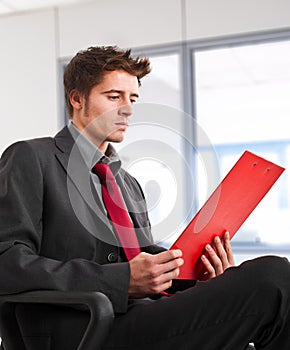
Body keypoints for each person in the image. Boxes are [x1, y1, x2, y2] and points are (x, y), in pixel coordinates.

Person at [0, 45, 290, 350]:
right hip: (83, 331)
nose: (127, 109)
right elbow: (6, 262)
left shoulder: (128, 184)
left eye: (133, 98)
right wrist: (121, 280)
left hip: (142, 318)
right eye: (114, 97)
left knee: (259, 310)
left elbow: (143, 263)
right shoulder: (31, 157)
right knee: (274, 276)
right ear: (77, 99)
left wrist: (195, 275)